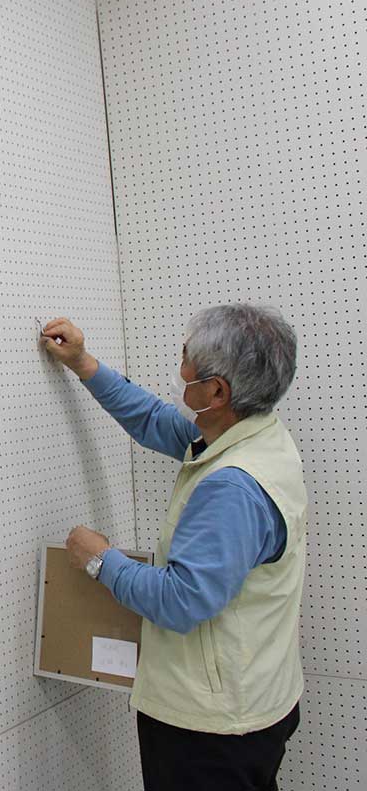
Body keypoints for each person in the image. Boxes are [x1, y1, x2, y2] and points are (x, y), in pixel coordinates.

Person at [40, 304, 306, 791]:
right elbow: (155, 421)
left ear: (218, 391)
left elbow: (182, 601)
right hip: (255, 701)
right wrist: (83, 363)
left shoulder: (233, 488)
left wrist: (98, 559)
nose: (180, 366)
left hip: (212, 729)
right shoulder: (257, 436)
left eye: (188, 358)